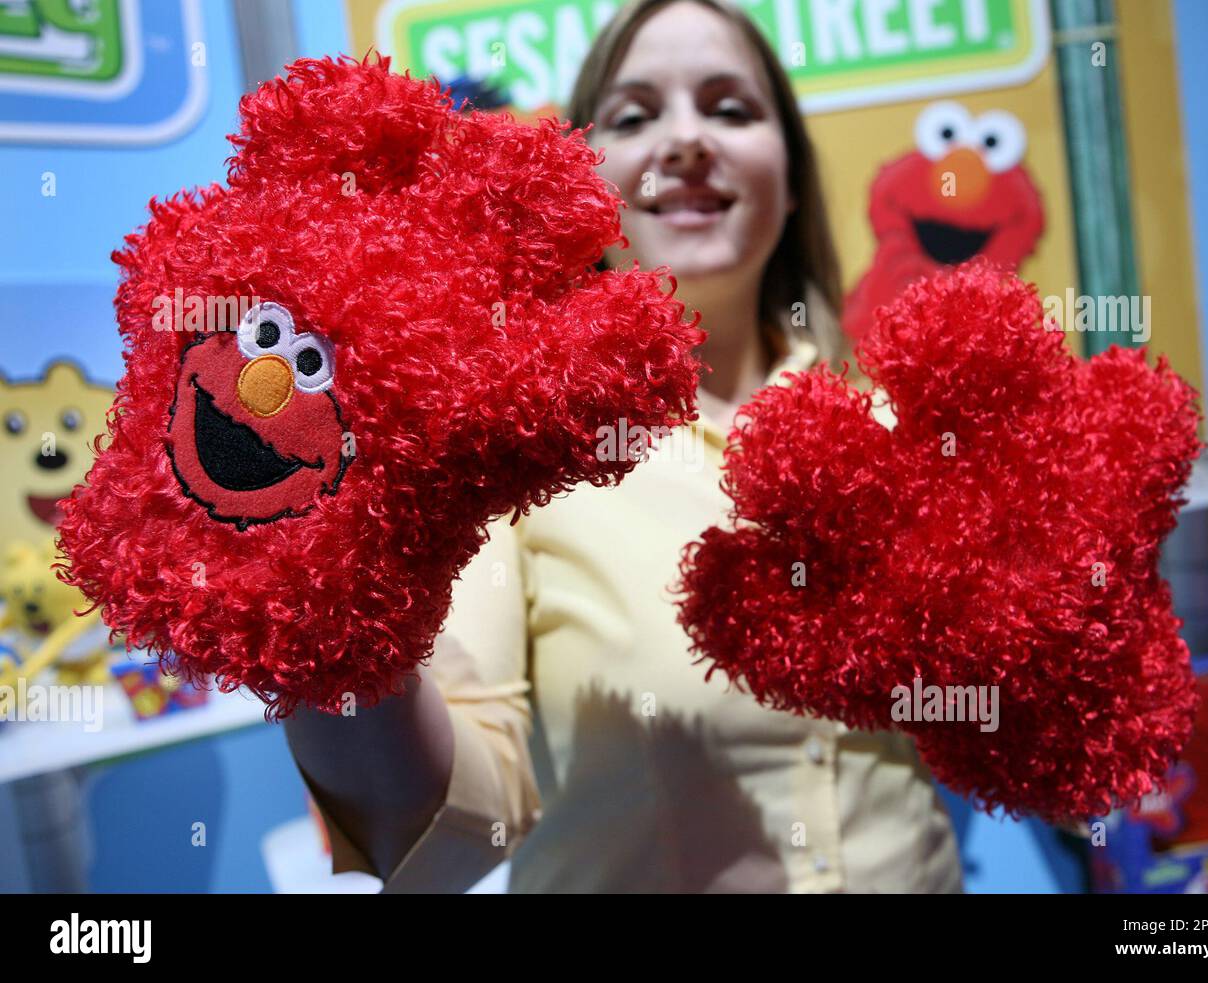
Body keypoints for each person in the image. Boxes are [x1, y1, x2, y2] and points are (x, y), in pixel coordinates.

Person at [285, 0, 964, 893]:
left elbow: (1032, 750)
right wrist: (323, 609)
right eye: (637, 115)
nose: (686, 140)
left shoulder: (898, 429)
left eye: (730, 108)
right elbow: (451, 824)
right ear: (582, 185)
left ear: (791, 177)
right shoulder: (515, 452)